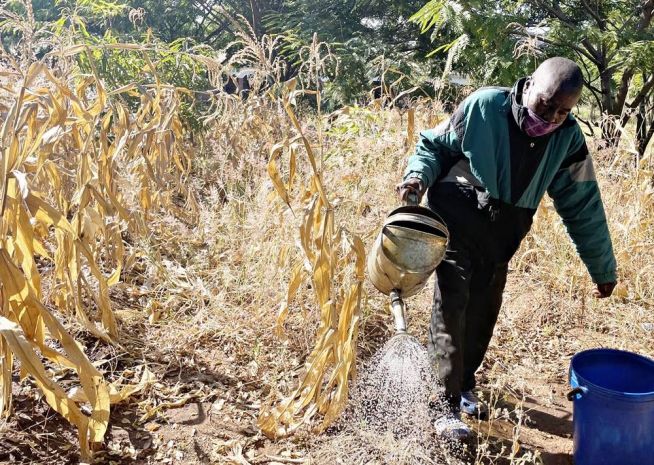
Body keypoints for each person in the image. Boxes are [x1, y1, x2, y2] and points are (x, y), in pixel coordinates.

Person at [396, 57, 617, 440]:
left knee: (484, 312)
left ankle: (463, 384)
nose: (549, 117)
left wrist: (602, 269)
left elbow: (583, 205)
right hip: (456, 219)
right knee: (452, 304)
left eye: (563, 112)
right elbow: (434, 145)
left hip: (502, 238)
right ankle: (441, 405)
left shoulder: (567, 140)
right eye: (545, 104)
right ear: (529, 85)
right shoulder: (484, 107)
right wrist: (416, 179)